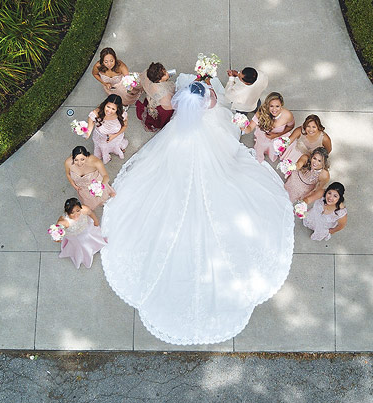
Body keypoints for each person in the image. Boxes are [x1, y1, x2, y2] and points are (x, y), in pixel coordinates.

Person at [101, 74, 294, 346]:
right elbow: (214, 104)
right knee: (221, 164)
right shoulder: (207, 98)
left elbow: (179, 108)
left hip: (184, 135)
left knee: (170, 168)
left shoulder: (183, 102)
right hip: (207, 135)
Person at [56, 198, 108, 269]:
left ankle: (94, 243)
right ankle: (84, 254)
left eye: (78, 211)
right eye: (72, 212)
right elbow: (58, 234)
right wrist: (58, 238)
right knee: (81, 243)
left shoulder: (84, 209)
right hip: (74, 235)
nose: (76, 214)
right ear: (67, 213)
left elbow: (90, 213)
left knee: (89, 234)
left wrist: (96, 221)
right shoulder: (63, 222)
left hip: (85, 227)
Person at [242, 92, 294, 163]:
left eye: (277, 106)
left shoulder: (287, 115)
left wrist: (277, 135)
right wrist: (243, 127)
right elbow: (250, 128)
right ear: (267, 105)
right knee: (260, 149)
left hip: (278, 136)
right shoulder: (261, 113)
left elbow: (291, 126)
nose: (274, 110)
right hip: (263, 138)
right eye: (271, 106)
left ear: (281, 105)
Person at [64, 145, 115, 210]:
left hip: (96, 186)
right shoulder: (68, 163)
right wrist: (74, 186)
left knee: (103, 198)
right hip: (82, 189)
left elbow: (106, 176)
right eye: (76, 160)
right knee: (88, 202)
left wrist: (100, 186)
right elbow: (68, 174)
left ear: (87, 156)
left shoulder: (96, 162)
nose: (79, 163)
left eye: (82, 159)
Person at [136, 62, 176, 132]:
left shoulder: (148, 74)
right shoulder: (164, 92)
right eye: (164, 74)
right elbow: (168, 107)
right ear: (159, 80)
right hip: (162, 106)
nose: (167, 73)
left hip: (154, 97)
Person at [89, 95, 128, 163]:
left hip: (116, 137)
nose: (109, 111)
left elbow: (124, 126)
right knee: (102, 149)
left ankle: (116, 149)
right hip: (101, 139)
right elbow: (89, 128)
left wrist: (114, 136)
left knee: (115, 145)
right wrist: (82, 130)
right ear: (105, 104)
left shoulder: (122, 115)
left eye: (113, 109)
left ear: (117, 109)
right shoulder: (96, 113)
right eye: (108, 107)